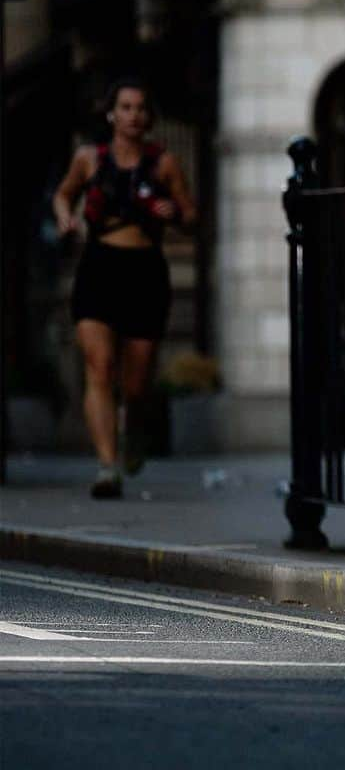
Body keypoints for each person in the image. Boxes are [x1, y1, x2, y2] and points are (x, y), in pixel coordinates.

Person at [52, 79, 197, 498]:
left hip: (145, 271)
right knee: (99, 367)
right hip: (99, 267)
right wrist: (65, 218)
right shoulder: (88, 159)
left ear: (148, 118)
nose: (133, 115)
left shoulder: (163, 164)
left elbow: (191, 215)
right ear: (112, 114)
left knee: (135, 384)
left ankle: (134, 424)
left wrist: (175, 213)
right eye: (126, 107)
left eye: (140, 109)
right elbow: (63, 196)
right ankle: (106, 466)